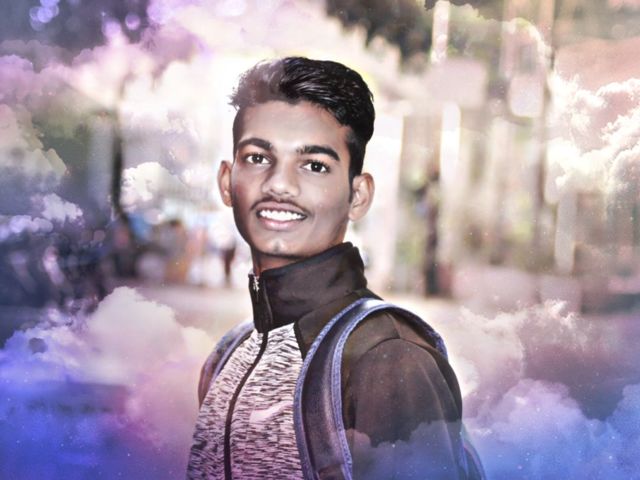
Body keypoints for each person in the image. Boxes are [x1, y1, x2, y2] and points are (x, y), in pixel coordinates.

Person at [188, 57, 479, 479]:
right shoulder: (229, 352)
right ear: (226, 181)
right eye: (258, 158)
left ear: (358, 196)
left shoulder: (388, 357)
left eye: (315, 165)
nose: (279, 184)